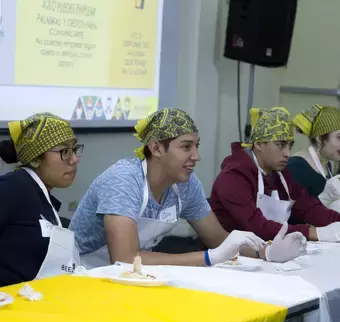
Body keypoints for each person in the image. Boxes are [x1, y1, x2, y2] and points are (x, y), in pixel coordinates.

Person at [70, 108, 307, 269]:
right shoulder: (124, 180)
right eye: (186, 147)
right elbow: (123, 258)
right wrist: (208, 258)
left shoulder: (185, 184)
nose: (196, 156)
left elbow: (218, 239)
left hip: (133, 275)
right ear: (156, 148)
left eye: (197, 145)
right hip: (85, 274)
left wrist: (265, 252)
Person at [209, 107, 340, 243]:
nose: (287, 153)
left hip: (266, 251)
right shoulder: (233, 178)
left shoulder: (281, 176)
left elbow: (308, 208)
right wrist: (313, 232)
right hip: (232, 258)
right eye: (281, 145)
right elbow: (256, 226)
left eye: (290, 146)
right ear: (259, 144)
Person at [0, 113, 84, 287]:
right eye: (64, 151)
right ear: (36, 159)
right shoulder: (11, 188)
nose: (75, 159)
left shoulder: (43, 198)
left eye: (75, 149)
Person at [287, 105, 340, 212]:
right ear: (320, 138)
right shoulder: (296, 168)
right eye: (339, 138)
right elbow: (291, 217)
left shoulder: (327, 165)